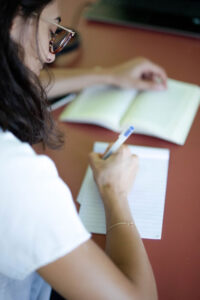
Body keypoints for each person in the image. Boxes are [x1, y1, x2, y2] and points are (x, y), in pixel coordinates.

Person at [0, 0, 167, 299]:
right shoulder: (15, 178)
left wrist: (110, 75)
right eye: (52, 30)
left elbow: (18, 82)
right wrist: (113, 192)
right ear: (13, 22)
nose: (51, 55)